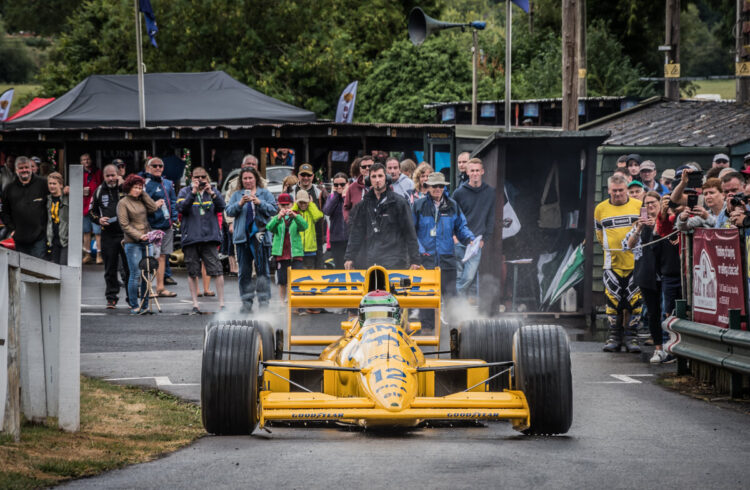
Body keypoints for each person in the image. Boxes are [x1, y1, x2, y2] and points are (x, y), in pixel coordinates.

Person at [622, 191, 675, 363]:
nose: (650, 206)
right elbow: (628, 246)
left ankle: (670, 347)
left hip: (666, 273)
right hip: (647, 274)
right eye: (647, 203)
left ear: (660, 204)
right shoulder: (640, 224)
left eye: (653, 202)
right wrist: (638, 228)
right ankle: (658, 348)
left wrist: (656, 225)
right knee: (653, 313)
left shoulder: (667, 221)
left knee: (668, 312)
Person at [594, 173, 643, 353]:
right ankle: (613, 336)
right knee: (612, 300)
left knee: (635, 301)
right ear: (609, 190)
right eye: (614, 191)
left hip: (635, 262)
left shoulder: (638, 205)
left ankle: (632, 337)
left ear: (626, 190)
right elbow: (599, 233)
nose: (617, 194)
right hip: (611, 262)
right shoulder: (600, 208)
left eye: (621, 190)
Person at [344, 162, 420, 270]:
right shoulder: (363, 204)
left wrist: (415, 260)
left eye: (380, 176)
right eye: (374, 177)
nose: (377, 180)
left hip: (396, 260)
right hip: (372, 259)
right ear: (369, 180)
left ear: (386, 178)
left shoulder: (399, 202)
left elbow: (410, 232)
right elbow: (356, 232)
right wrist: (349, 257)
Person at [413, 171, 475, 298]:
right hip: (426, 260)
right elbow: (411, 232)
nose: (438, 189)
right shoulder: (418, 205)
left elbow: (461, 227)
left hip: (447, 259)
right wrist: (420, 251)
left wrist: (470, 239)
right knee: (426, 298)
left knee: (450, 298)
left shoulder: (453, 205)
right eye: (434, 186)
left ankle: (451, 319)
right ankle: (427, 319)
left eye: (441, 186)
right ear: (428, 187)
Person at [225, 167, 277, 312]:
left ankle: (264, 302)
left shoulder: (265, 193)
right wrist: (240, 203)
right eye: (245, 178)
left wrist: (259, 202)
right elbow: (229, 211)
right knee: (244, 272)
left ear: (256, 179)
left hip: (261, 237)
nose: (248, 181)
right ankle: (246, 302)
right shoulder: (236, 195)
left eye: (250, 178)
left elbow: (274, 210)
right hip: (243, 238)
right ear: (241, 180)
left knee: (263, 271)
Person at [176, 167, 227, 314]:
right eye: (196, 177)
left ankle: (222, 304)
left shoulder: (212, 191)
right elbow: (181, 208)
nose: (200, 179)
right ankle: (195, 304)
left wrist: (212, 193)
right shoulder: (185, 191)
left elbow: (222, 207)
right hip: (191, 237)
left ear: (207, 178)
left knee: (217, 270)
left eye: (203, 177)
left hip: (209, 237)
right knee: (193, 271)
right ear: (191, 178)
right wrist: (193, 193)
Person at [453, 158, 496, 298]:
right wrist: (453, 237)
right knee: (459, 276)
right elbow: (452, 216)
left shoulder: (490, 192)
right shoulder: (459, 193)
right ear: (467, 172)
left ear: (482, 171)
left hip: (476, 242)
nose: (475, 173)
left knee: (469, 276)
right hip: (459, 240)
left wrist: (485, 239)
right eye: (472, 170)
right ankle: (457, 310)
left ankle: (451, 300)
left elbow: (491, 217)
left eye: (478, 170)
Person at [117, 174, 159, 315]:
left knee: (147, 273)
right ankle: (134, 305)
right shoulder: (123, 203)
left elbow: (153, 208)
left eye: (140, 187)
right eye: (135, 187)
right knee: (135, 274)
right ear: (128, 188)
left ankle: (145, 304)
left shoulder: (142, 199)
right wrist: (138, 235)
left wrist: (144, 193)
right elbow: (124, 224)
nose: (137, 190)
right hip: (133, 242)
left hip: (147, 239)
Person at [90, 164, 130, 309]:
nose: (111, 178)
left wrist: (123, 185)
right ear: (104, 177)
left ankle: (132, 298)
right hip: (108, 235)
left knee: (129, 268)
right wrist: (98, 220)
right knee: (110, 268)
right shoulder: (99, 190)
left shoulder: (126, 188)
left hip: (126, 234)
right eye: (108, 176)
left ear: (118, 174)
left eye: (113, 175)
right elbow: (91, 211)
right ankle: (111, 297)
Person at [0, 156, 49, 259]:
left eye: (26, 167)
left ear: (31, 168)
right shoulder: (9, 188)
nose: (24, 170)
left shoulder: (43, 184)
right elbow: (4, 212)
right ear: (16, 170)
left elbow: (54, 199)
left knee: (38, 268)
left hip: (39, 236)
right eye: (21, 168)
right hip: (19, 237)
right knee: (22, 270)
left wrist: (66, 191)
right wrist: (12, 229)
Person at [142, 157, 178, 298]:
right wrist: (153, 206)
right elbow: (141, 205)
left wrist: (174, 218)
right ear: (148, 168)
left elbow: (173, 201)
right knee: (151, 257)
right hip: (152, 226)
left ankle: (161, 288)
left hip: (167, 226)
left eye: (160, 166)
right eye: (154, 166)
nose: (158, 168)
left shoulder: (168, 183)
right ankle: (148, 288)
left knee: (163, 256)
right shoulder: (146, 184)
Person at [267, 193, 308, 304]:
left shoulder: (297, 216)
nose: (285, 207)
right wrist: (278, 218)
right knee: (282, 280)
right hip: (281, 254)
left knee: (297, 279)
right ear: (278, 205)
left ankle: (297, 303)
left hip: (295, 253)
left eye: (287, 205)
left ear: (292, 204)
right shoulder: (277, 218)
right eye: (282, 205)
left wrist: (295, 216)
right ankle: (281, 302)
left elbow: (304, 226)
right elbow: (269, 228)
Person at [293, 163, 328, 267]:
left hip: (316, 239)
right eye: (303, 175)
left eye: (308, 175)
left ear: (313, 176)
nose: (306, 178)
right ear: (298, 176)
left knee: (317, 272)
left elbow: (325, 216)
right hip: (295, 241)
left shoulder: (320, 192)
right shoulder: (291, 192)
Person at [322, 172, 349, 268]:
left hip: (350, 239)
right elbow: (327, 211)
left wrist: (345, 196)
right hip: (336, 240)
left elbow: (352, 211)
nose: (339, 187)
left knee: (351, 269)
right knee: (339, 268)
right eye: (336, 184)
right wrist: (336, 195)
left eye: (342, 184)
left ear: (347, 184)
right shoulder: (332, 197)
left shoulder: (350, 196)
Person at [293, 189, 324, 269]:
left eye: (305, 202)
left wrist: (311, 204)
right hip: (297, 249)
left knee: (310, 272)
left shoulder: (311, 211)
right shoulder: (295, 212)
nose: (303, 204)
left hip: (310, 249)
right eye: (300, 202)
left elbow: (318, 216)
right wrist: (295, 204)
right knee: (298, 273)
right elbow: (289, 215)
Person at [81, 153, 103, 264]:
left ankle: (99, 255)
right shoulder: (79, 173)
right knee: (86, 232)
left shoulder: (98, 172)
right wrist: (81, 190)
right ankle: (87, 254)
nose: (86, 161)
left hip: (96, 208)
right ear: (81, 162)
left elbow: (102, 186)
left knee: (98, 232)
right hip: (84, 207)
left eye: (88, 159)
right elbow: (73, 189)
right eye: (84, 160)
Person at [46, 172, 68, 265]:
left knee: (64, 266)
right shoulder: (47, 199)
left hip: (65, 239)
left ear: (61, 185)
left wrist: (72, 189)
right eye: (50, 183)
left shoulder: (67, 198)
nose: (52, 186)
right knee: (55, 267)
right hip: (53, 238)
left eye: (54, 183)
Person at [344, 155, 373, 223]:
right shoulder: (352, 187)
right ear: (360, 169)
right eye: (364, 167)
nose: (367, 168)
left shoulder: (384, 186)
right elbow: (346, 208)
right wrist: (349, 221)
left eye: (370, 166)